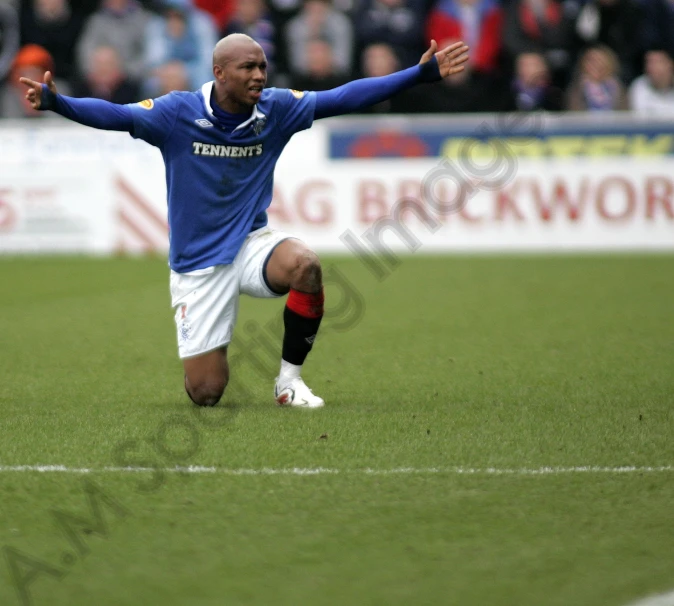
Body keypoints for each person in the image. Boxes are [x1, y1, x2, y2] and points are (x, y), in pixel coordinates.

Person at [19, 33, 469, 408]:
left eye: (262, 67)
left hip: (252, 244)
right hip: (197, 264)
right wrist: (60, 103)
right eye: (247, 68)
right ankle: (203, 351)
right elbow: (117, 115)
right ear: (219, 73)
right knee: (207, 393)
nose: (258, 75)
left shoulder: (276, 109)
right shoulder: (177, 114)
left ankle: (288, 383)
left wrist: (418, 74)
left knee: (306, 265)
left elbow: (344, 96)